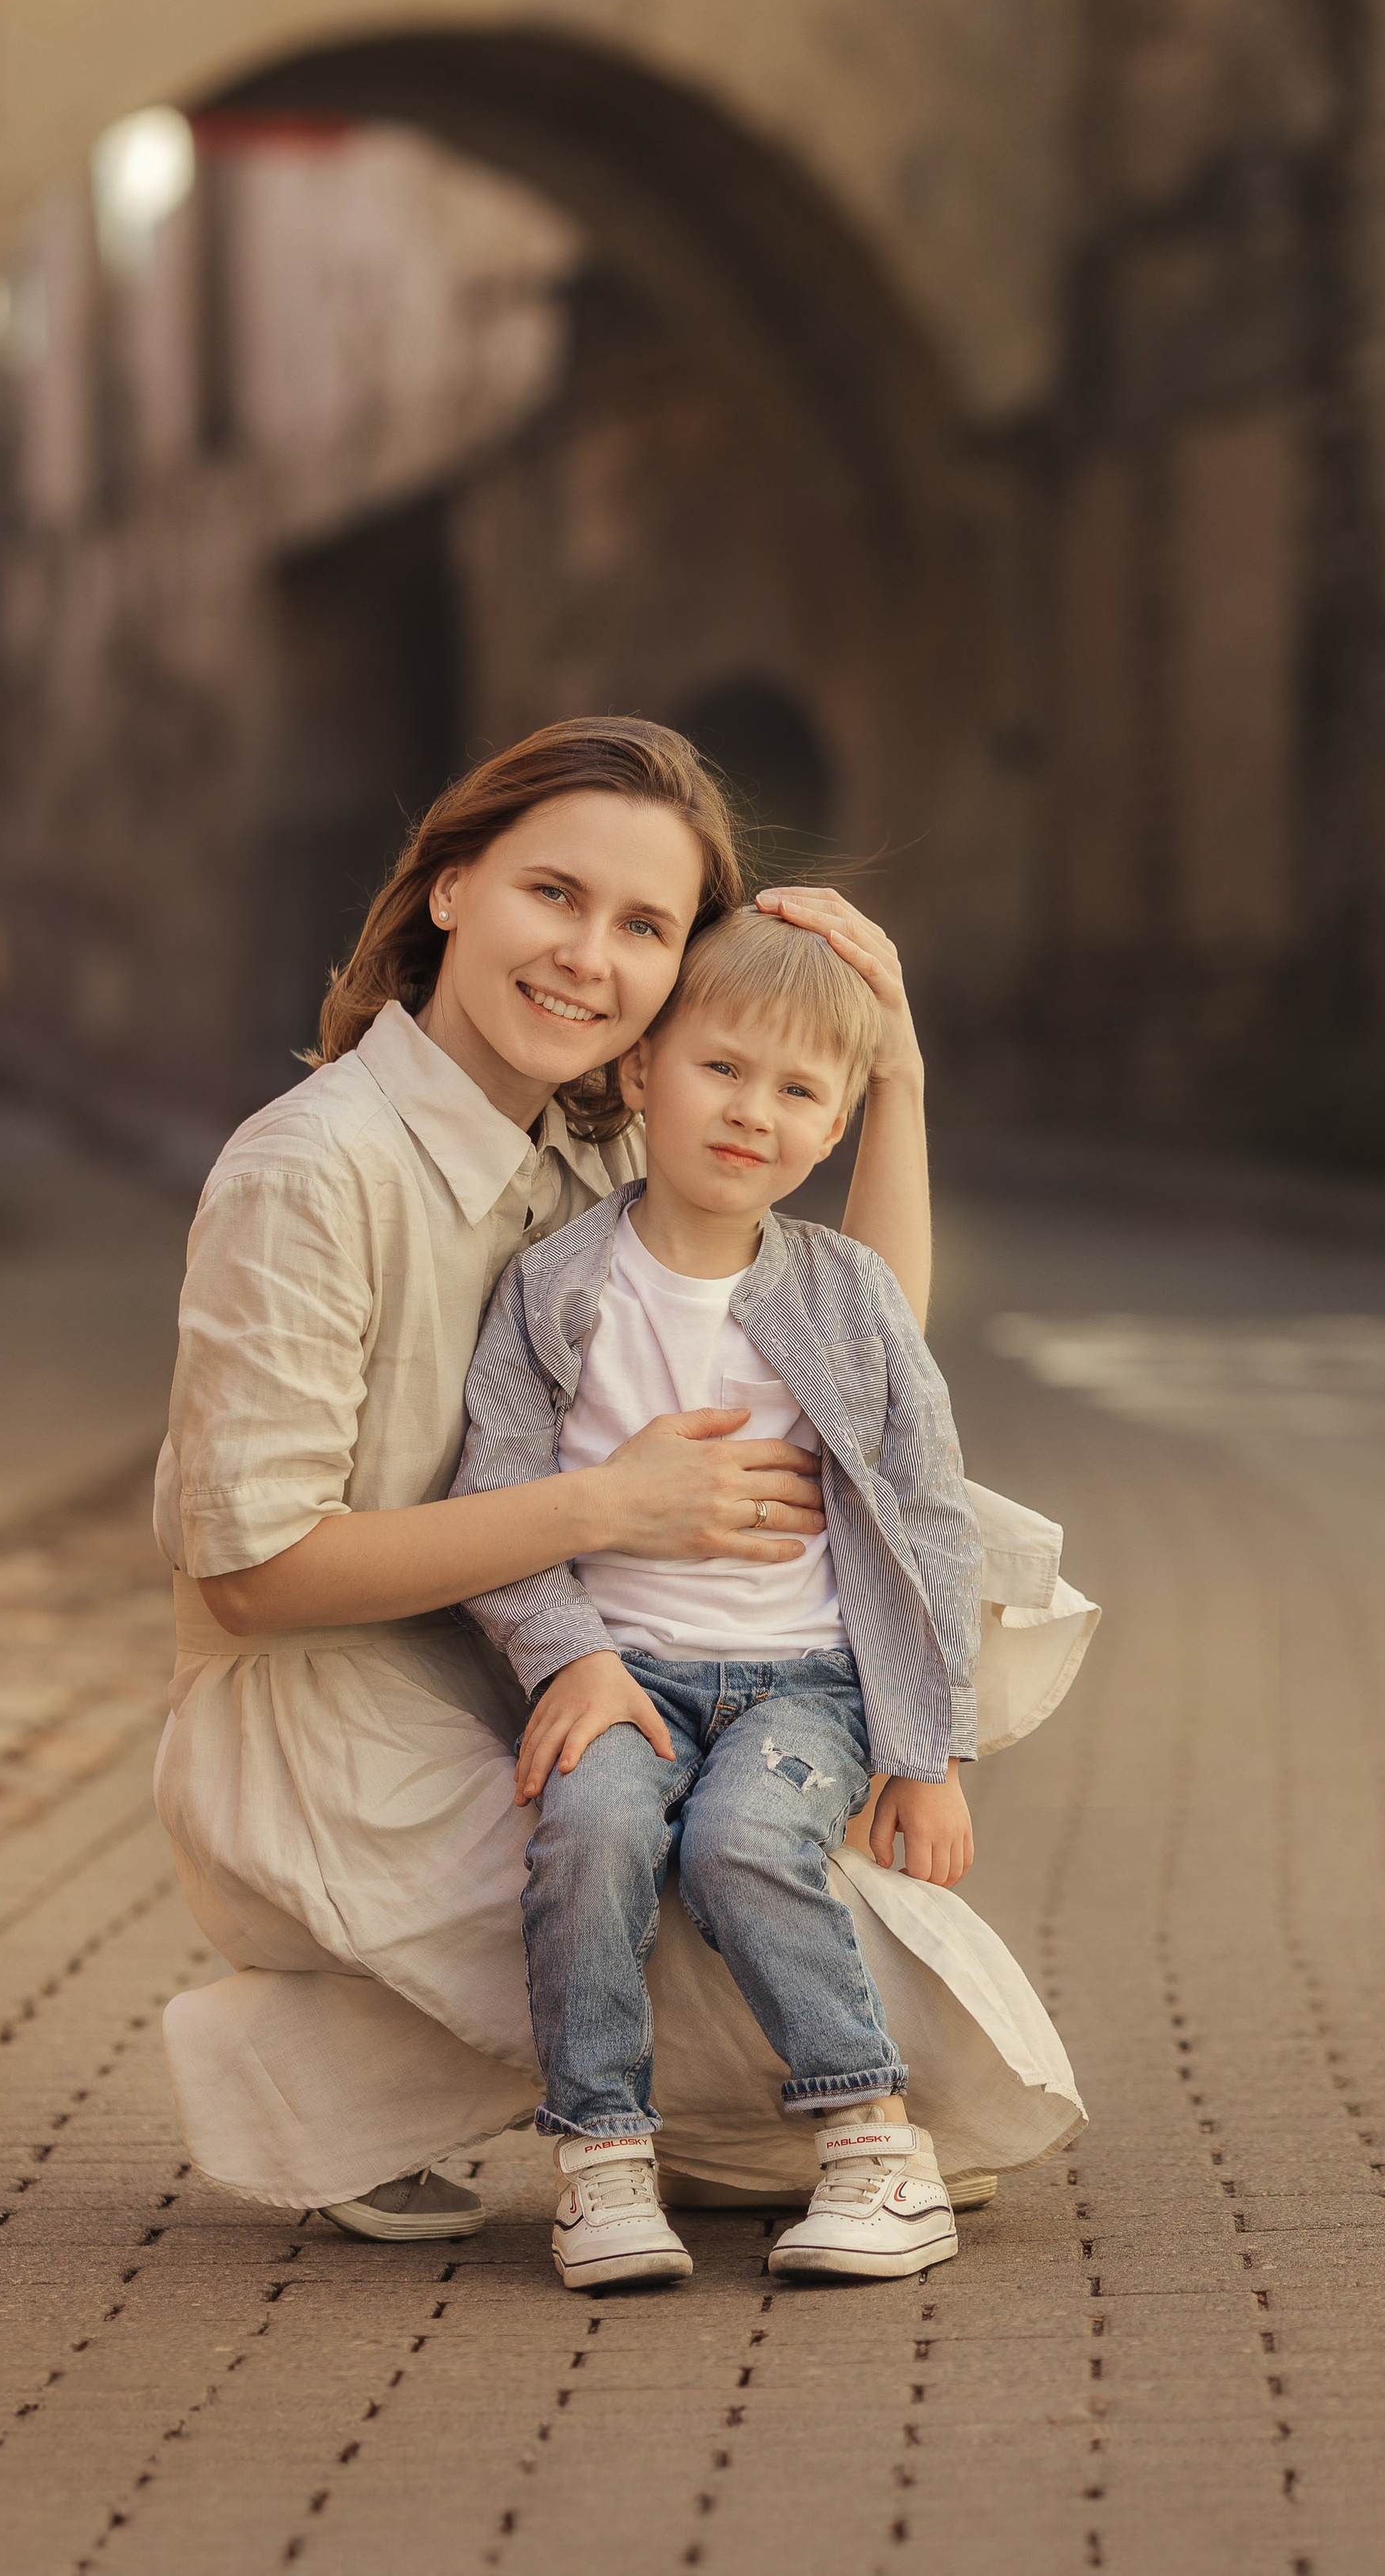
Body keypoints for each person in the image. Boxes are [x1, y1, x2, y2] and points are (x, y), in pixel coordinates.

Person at [155, 715, 1083, 2240]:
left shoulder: (589, 1146)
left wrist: (895, 1072)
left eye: (643, 925)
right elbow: (248, 1580)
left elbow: (859, 1346)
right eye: (552, 895)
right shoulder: (309, 1170)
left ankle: (580, 2079)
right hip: (327, 1716)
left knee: (896, 2000)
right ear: (449, 886)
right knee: (865, 2029)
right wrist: (607, 1512)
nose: (588, 954)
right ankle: (309, 2061)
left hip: (547, 1672)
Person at [454, 907, 996, 2288]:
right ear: (643, 1071)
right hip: (621, 1672)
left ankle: (877, 2146)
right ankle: (601, 2162)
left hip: (803, 1682)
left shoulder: (845, 1294)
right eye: (722, 1069)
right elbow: (498, 1487)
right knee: (589, 1830)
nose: (754, 1113)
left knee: (746, 1841)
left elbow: (926, 1514)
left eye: (800, 1091)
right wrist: (566, 1652)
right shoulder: (555, 1287)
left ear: (834, 1131)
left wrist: (929, 1754)